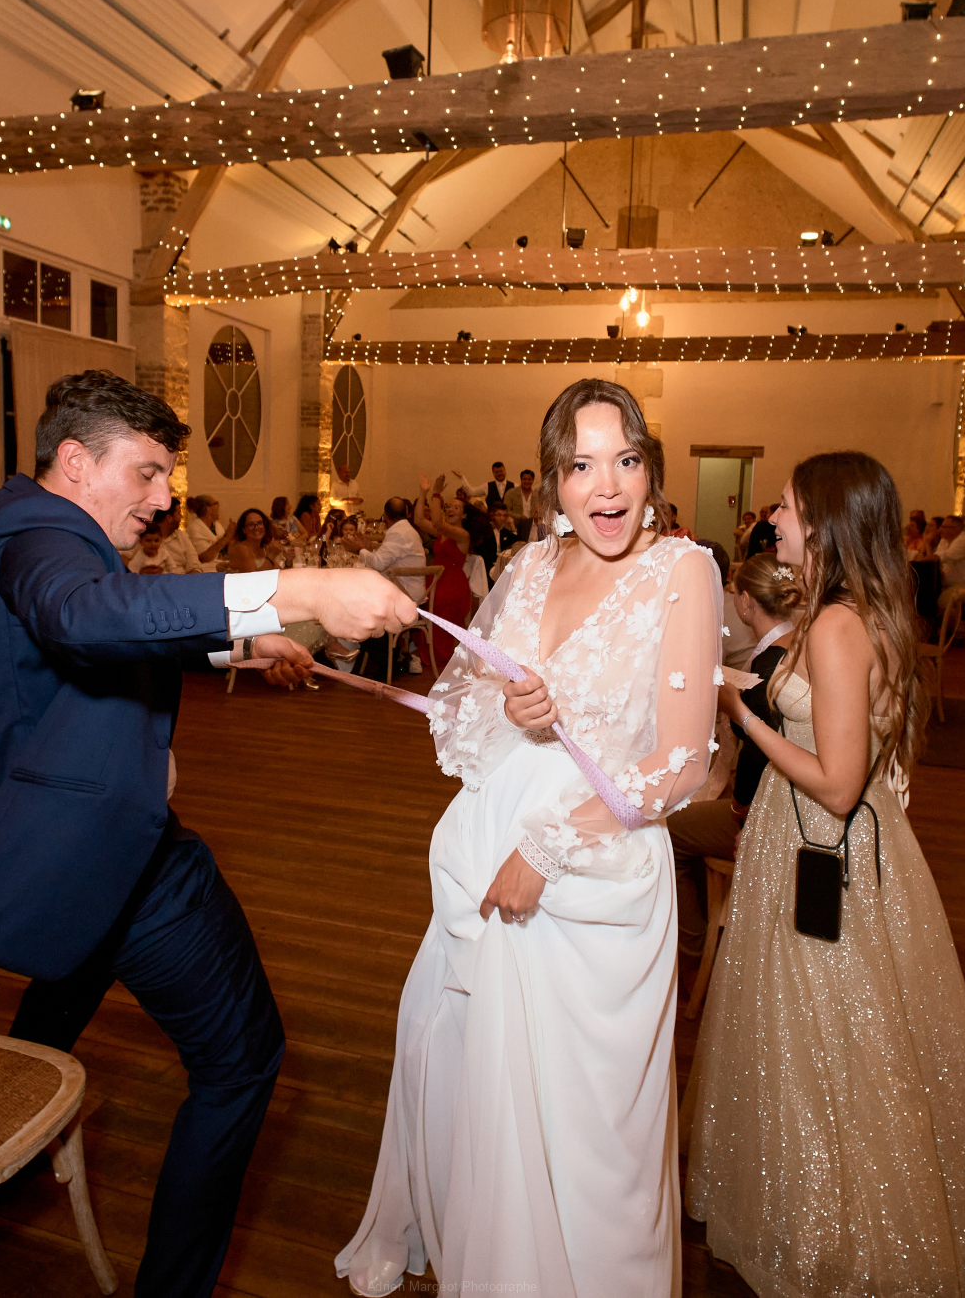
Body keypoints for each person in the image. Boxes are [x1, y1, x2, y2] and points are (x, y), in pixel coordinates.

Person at [0, 370, 414, 1298]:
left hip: (45, 842)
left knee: (43, 1028)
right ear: (76, 461)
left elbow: (84, 643)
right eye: (146, 473)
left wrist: (240, 642)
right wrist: (298, 587)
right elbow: (82, 616)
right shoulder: (40, 531)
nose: (161, 498)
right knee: (242, 1059)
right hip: (116, 850)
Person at [337, 378, 720, 1296]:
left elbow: (679, 763)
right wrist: (512, 709)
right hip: (483, 853)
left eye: (626, 459)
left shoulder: (683, 571)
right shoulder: (529, 566)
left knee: (584, 1128)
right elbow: (464, 703)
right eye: (582, 465)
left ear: (652, 472)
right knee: (478, 1085)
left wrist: (546, 851)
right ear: (552, 482)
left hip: (593, 867)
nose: (606, 485)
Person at [687, 452, 965, 1298]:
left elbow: (838, 780)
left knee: (824, 1035)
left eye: (785, 507)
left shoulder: (835, 626)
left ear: (823, 522)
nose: (774, 519)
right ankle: (822, 1204)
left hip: (823, 840)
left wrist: (740, 710)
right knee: (843, 1030)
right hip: (831, 840)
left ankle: (835, 1229)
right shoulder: (859, 612)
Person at [667, 552, 796, 952]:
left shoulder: (772, 663)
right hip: (788, 796)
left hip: (773, 809)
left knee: (669, 830)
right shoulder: (796, 642)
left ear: (744, 601)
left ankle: (692, 946)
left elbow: (759, 753)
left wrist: (742, 814)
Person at [340, 496, 428, 677]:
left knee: (357, 613)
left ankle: (390, 663)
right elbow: (387, 557)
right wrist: (368, 548)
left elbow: (379, 564)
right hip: (411, 595)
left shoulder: (398, 532)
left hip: (405, 600)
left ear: (385, 516)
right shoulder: (406, 530)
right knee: (360, 607)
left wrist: (359, 550)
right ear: (407, 513)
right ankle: (393, 659)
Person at [409, 475, 473, 668]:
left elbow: (437, 522)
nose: (451, 509)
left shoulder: (462, 535)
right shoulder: (443, 533)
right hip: (435, 582)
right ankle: (429, 654)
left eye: (456, 508)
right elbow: (419, 520)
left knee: (441, 619)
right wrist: (423, 492)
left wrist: (436, 494)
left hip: (452, 586)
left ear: (464, 516)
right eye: (449, 506)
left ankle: (442, 659)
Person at [934, 513, 965, 617]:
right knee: (928, 594)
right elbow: (936, 559)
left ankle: (951, 626)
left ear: (955, 530)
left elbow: (942, 557)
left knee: (943, 600)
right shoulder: (944, 540)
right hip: (952, 584)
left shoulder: (963, 541)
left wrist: (926, 546)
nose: (940, 529)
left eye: (944, 527)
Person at [185, 494, 234, 567]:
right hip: (205, 568)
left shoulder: (217, 526)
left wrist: (233, 535)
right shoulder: (195, 529)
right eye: (216, 503)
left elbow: (226, 549)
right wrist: (226, 537)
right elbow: (204, 558)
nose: (218, 506)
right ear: (209, 509)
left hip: (221, 565)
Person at [226, 508, 278, 573]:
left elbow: (279, 571)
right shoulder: (242, 549)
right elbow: (253, 577)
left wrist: (288, 559)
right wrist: (271, 556)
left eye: (259, 523)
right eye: (251, 524)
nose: (256, 527)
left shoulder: (264, 548)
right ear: (244, 530)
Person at [509, 467, 537, 537]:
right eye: (524, 479)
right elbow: (506, 511)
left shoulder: (537, 495)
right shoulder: (511, 493)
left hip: (531, 528)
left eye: (529, 479)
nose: (527, 481)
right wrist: (519, 517)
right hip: (515, 526)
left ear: (533, 480)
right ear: (521, 480)